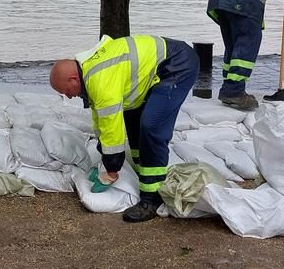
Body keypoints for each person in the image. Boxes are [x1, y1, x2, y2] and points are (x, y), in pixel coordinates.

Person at [50, 34, 200, 222]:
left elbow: (112, 128)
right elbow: (102, 121)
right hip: (159, 66)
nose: (69, 97)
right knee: (132, 117)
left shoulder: (99, 80)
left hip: (176, 65)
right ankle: (143, 169)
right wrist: (104, 154)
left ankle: (151, 198)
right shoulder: (90, 74)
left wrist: (111, 168)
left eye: (66, 92)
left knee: (151, 126)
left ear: (73, 79)